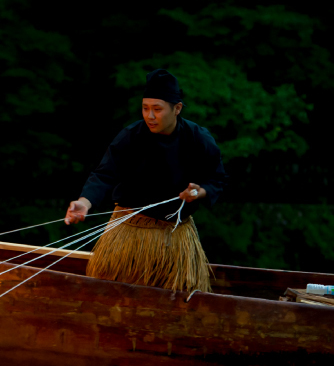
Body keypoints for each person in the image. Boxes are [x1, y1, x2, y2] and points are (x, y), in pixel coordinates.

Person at [64, 69, 227, 292]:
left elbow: (216, 179)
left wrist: (200, 192)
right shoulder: (131, 136)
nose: (149, 116)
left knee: (178, 299)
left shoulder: (198, 139)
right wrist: (85, 202)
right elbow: (104, 174)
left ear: (177, 108)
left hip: (175, 238)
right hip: (128, 231)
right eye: (145, 108)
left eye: (157, 109)